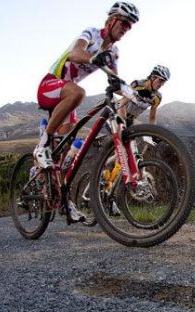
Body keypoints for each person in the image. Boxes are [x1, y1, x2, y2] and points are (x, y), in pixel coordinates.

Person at [32, 2, 139, 222]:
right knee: (79, 93)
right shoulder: (91, 33)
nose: (126, 29)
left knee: (64, 153)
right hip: (52, 85)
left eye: (130, 27)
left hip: (67, 97)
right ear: (111, 21)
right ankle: (42, 146)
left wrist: (131, 92)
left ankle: (63, 200)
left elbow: (115, 81)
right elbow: (75, 53)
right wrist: (92, 58)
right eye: (124, 23)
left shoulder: (113, 52)